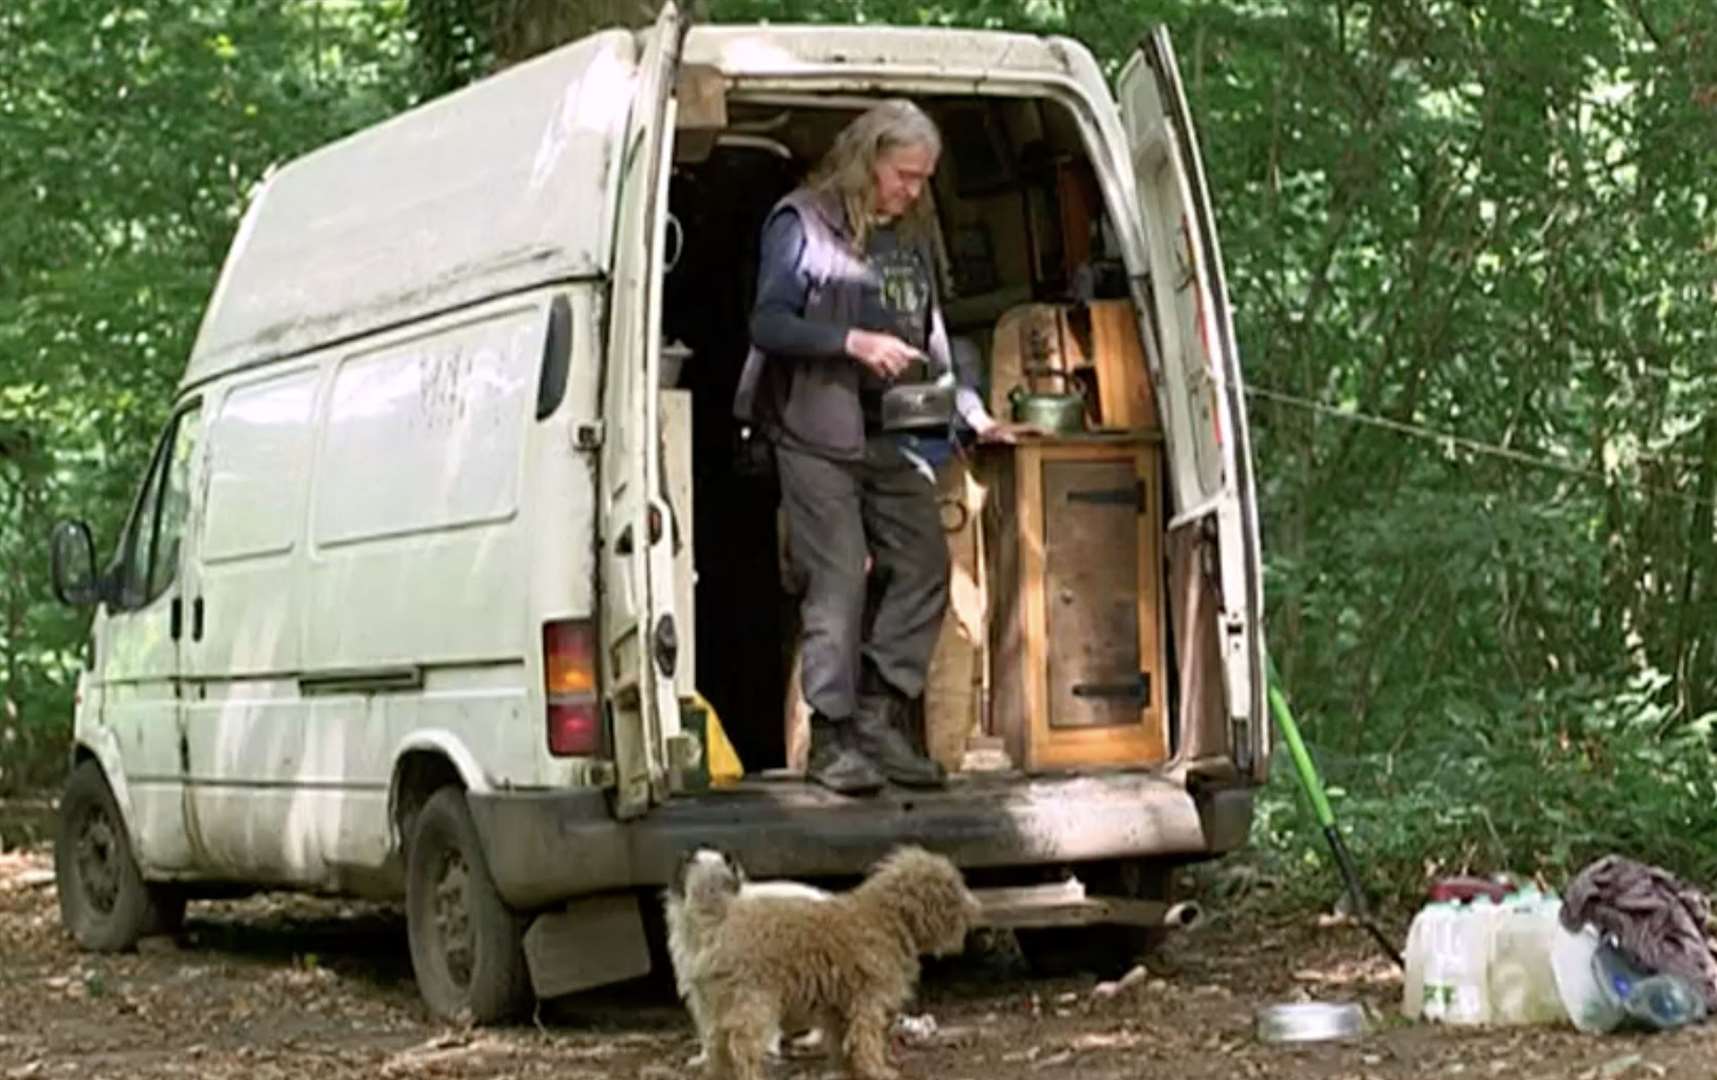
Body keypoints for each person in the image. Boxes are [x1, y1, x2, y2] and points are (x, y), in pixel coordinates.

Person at [733, 100, 1030, 796]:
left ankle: (877, 711)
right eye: (905, 176)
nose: (914, 191)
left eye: (924, 178)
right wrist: (851, 342)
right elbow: (769, 323)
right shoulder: (800, 222)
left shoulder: (909, 235)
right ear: (869, 160)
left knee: (925, 561)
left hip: (887, 430)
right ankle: (831, 737)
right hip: (812, 429)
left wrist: (973, 416)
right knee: (836, 579)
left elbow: (932, 343)